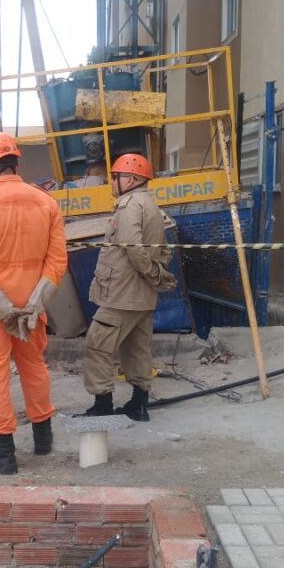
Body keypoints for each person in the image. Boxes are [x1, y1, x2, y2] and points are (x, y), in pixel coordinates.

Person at [0, 132, 68, 475]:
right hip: (32, 307)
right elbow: (57, 262)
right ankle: (43, 439)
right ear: (17, 162)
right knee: (34, 368)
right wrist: (33, 305)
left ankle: (4, 455)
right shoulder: (46, 202)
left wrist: (5, 311)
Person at [82, 153, 176, 422]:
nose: (111, 182)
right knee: (137, 348)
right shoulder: (149, 204)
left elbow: (133, 249)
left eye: (116, 177)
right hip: (140, 295)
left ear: (132, 179)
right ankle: (139, 404)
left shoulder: (129, 205)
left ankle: (102, 405)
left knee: (97, 344)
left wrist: (152, 275)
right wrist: (155, 278)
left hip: (123, 294)